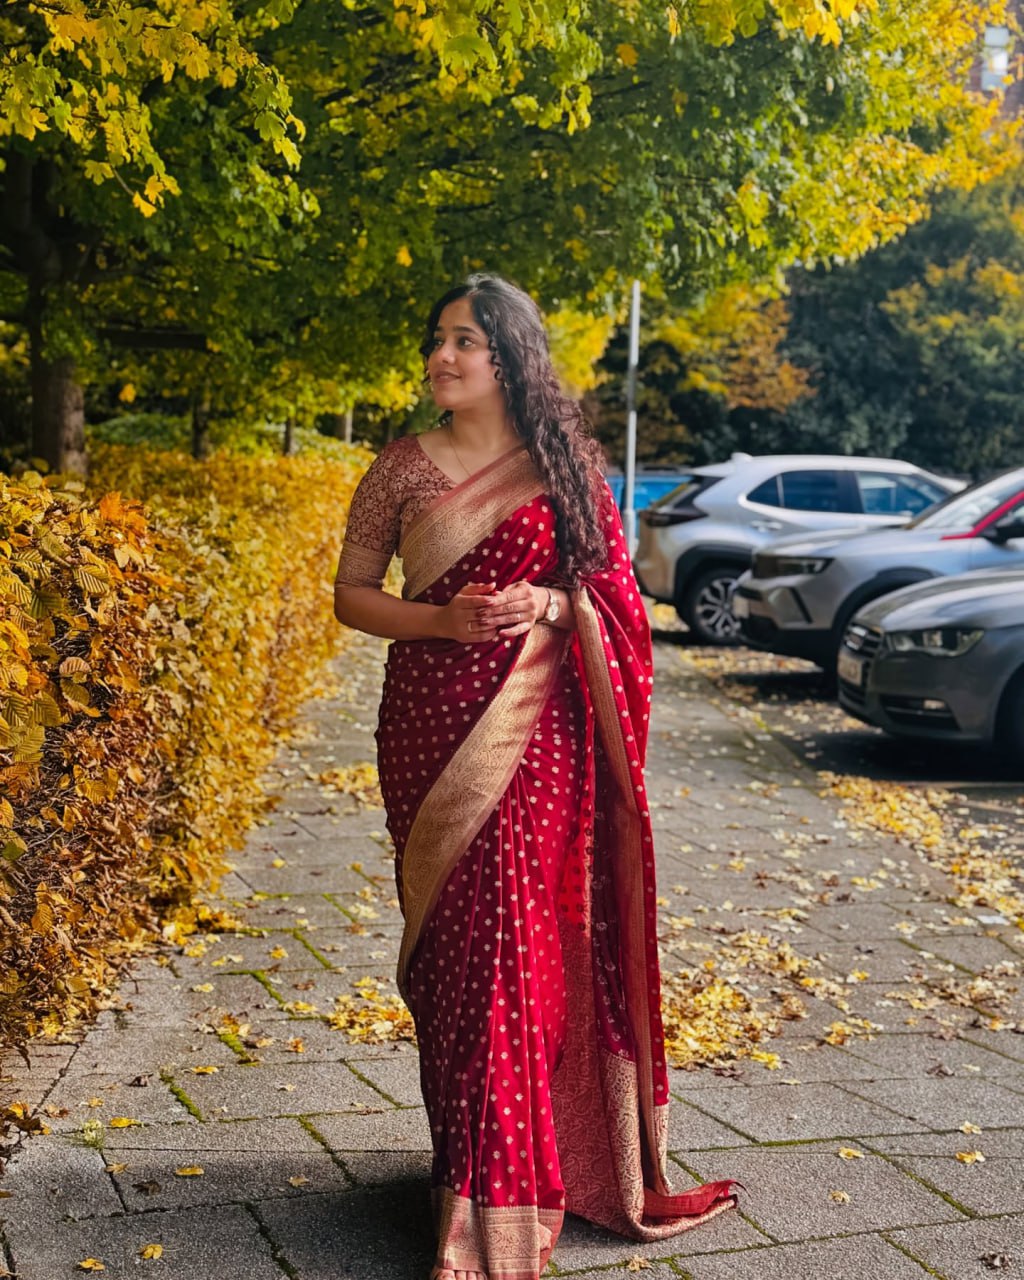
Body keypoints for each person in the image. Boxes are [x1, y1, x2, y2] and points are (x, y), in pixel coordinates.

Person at [333, 275, 737, 1280]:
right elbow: (350, 596)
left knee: (520, 944)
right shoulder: (398, 467)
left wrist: (552, 610)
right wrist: (441, 619)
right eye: (437, 339)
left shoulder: (567, 467)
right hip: (428, 730)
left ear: (511, 358)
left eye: (464, 340)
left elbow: (613, 600)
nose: (442, 355)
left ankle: (501, 1199)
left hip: (540, 733)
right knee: (458, 958)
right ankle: (462, 1169)